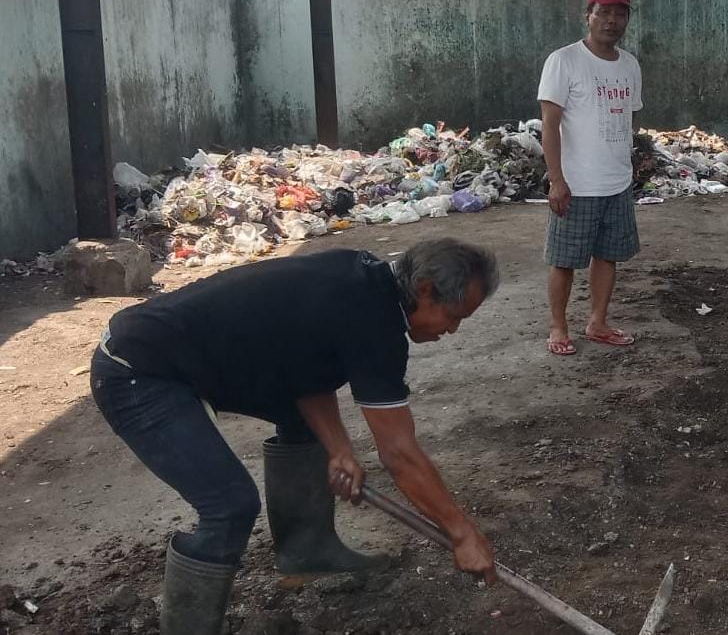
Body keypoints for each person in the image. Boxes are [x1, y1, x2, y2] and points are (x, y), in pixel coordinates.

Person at [90, 240, 501, 634]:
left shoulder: (365, 284)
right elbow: (399, 453)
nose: (453, 330)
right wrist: (460, 532)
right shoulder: (373, 321)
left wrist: (339, 450)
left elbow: (306, 370)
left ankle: (308, 552)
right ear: (425, 290)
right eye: (454, 316)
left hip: (190, 360)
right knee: (230, 505)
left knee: (305, 429)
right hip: (137, 371)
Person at [538, 0, 643, 356]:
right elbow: (549, 126)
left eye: (620, 13)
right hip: (576, 185)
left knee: (608, 255)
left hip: (617, 183)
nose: (612, 20)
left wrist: (628, 169)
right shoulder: (563, 61)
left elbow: (626, 122)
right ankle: (558, 327)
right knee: (563, 260)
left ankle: (598, 321)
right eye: (604, 12)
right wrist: (557, 180)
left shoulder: (630, 65)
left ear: (627, 19)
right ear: (588, 16)